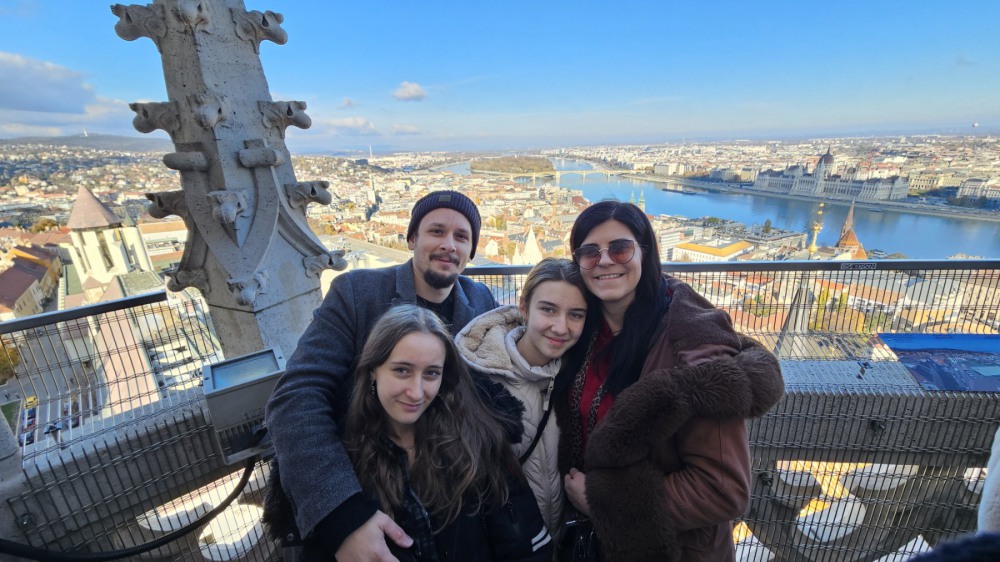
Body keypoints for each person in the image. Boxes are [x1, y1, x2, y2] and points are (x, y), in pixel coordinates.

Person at [264, 190, 499, 561]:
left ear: (470, 251)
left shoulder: (481, 300)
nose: (448, 245)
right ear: (412, 239)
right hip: (367, 481)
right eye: (436, 231)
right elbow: (297, 395)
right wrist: (342, 513)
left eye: (461, 236)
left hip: (451, 496)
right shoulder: (357, 293)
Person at [553, 200, 785, 562]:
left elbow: (724, 489)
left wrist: (606, 503)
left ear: (646, 252)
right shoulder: (581, 326)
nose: (605, 260)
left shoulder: (693, 346)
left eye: (620, 248)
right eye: (590, 251)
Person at [341, 305, 552, 562]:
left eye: (431, 373)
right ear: (373, 369)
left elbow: (527, 546)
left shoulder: (477, 440)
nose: (416, 392)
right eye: (402, 370)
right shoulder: (342, 457)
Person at [455, 258, 588, 534]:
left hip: (560, 540)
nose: (561, 327)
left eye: (575, 315)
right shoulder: (479, 381)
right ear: (524, 307)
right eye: (548, 309)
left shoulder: (579, 375)